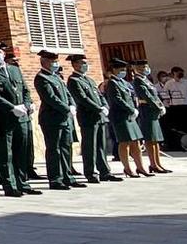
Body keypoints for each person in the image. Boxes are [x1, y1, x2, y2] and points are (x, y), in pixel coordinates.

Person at [0, 43, 37, 196]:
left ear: (4, 53)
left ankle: (22, 183)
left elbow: (25, 89)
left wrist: (26, 104)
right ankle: (9, 185)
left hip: (21, 117)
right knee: (6, 154)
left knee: (21, 151)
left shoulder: (14, 69)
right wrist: (12, 108)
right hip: (3, 119)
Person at [34, 48, 78, 189]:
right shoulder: (42, 78)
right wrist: (66, 108)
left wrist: (72, 105)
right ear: (45, 62)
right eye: (53, 61)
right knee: (54, 149)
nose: (55, 64)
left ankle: (67, 176)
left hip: (64, 118)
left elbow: (67, 93)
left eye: (56, 61)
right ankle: (55, 179)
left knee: (66, 147)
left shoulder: (56, 76)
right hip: (51, 118)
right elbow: (51, 98)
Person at [67, 51, 113, 182]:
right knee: (90, 146)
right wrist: (98, 108)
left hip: (99, 117)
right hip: (88, 117)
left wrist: (105, 106)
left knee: (101, 145)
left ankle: (105, 171)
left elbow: (99, 95)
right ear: (75, 64)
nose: (86, 66)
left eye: (86, 63)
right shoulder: (74, 80)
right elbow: (82, 98)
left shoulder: (89, 79)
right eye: (83, 63)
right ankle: (91, 172)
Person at [105, 58, 144, 179]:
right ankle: (127, 168)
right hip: (120, 116)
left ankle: (140, 167)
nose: (123, 71)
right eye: (121, 69)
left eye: (124, 69)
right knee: (124, 142)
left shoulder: (125, 83)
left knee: (136, 141)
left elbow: (132, 96)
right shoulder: (112, 83)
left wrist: (134, 108)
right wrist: (130, 109)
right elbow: (118, 99)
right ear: (114, 70)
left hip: (130, 116)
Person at [134, 59, 171, 174]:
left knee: (156, 140)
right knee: (150, 139)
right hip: (147, 111)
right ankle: (153, 164)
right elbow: (147, 96)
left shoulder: (147, 80)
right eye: (143, 67)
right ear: (137, 69)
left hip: (153, 111)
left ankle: (158, 163)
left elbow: (155, 94)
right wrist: (157, 106)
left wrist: (161, 105)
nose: (145, 69)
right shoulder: (138, 81)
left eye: (146, 67)